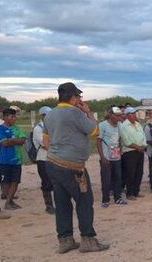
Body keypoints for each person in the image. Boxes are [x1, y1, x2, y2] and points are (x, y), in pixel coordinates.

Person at [43, 82, 109, 253]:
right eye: (79, 97)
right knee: (84, 201)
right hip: (72, 166)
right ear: (73, 98)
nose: (80, 99)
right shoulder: (75, 112)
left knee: (62, 202)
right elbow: (96, 131)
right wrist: (87, 112)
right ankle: (88, 239)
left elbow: (46, 140)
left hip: (53, 163)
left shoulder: (50, 114)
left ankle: (65, 240)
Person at [0, 108, 26, 210]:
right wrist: (14, 140)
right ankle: (9, 201)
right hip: (5, 160)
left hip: (17, 160)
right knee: (5, 182)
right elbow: (4, 143)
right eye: (11, 116)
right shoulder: (0, 129)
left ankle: (9, 202)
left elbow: (23, 140)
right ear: (5, 117)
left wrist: (12, 140)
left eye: (14, 116)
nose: (14, 118)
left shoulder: (17, 128)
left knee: (15, 181)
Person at [96, 107, 127, 207]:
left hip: (116, 156)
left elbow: (119, 139)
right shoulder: (102, 125)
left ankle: (118, 198)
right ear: (110, 115)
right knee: (106, 179)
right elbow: (98, 142)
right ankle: (105, 200)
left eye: (120, 115)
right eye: (117, 115)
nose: (119, 118)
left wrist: (120, 150)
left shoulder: (119, 125)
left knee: (118, 178)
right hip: (106, 157)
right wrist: (102, 157)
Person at [120, 107, 148, 200]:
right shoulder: (123, 126)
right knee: (130, 173)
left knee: (139, 172)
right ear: (127, 115)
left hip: (140, 151)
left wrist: (143, 146)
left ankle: (136, 191)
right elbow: (126, 141)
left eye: (134, 113)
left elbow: (143, 136)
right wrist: (138, 147)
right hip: (130, 152)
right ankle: (130, 193)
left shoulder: (138, 124)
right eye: (132, 113)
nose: (134, 115)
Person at [33, 106, 55, 214]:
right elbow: (45, 144)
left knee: (56, 182)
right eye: (46, 115)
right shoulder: (38, 129)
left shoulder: (54, 127)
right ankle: (49, 205)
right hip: (43, 158)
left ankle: (57, 204)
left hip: (54, 158)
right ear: (42, 116)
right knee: (46, 182)